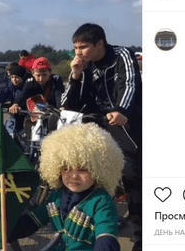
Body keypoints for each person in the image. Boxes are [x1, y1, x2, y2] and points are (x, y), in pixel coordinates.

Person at [61, 23, 142, 250]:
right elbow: (68, 104)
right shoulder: (83, 65)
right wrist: (75, 74)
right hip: (96, 122)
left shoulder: (121, 55)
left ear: (100, 44)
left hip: (125, 120)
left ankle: (141, 234)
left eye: (83, 47)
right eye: (75, 47)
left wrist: (122, 111)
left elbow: (129, 84)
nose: (78, 52)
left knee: (131, 172)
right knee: (82, 166)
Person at [9, 123, 124, 251]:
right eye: (67, 168)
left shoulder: (102, 202)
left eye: (83, 170)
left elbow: (106, 239)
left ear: (99, 171)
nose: (74, 176)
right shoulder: (57, 195)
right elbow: (32, 222)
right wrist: (4, 232)